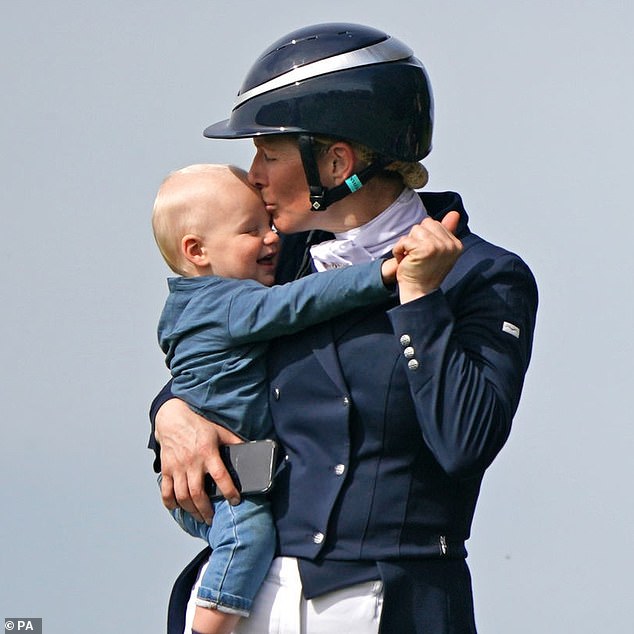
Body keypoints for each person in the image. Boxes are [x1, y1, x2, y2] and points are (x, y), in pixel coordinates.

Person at [149, 23, 538, 634]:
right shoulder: (273, 260)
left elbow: (464, 445)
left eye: (268, 154)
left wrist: (420, 299)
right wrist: (170, 413)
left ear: (336, 161)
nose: (252, 175)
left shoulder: (487, 276)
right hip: (254, 598)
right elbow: (208, 359)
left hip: (396, 602)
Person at [151, 163, 399, 634]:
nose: (272, 239)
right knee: (249, 535)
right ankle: (210, 624)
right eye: (252, 230)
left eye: (268, 225)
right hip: (221, 478)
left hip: (212, 476)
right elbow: (299, 302)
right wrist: (381, 274)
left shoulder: (187, 303)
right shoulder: (227, 302)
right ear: (197, 251)